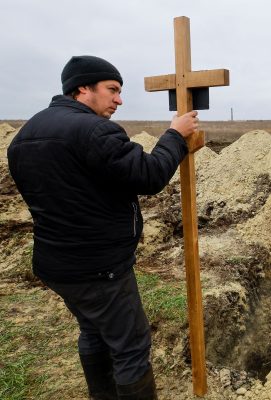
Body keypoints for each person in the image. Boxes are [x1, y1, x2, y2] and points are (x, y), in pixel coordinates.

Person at [8, 55, 199, 400]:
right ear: (83, 88)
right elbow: (149, 174)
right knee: (130, 346)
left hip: (57, 266)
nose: (119, 100)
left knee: (94, 331)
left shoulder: (25, 135)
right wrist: (175, 135)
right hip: (99, 269)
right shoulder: (94, 130)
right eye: (112, 90)